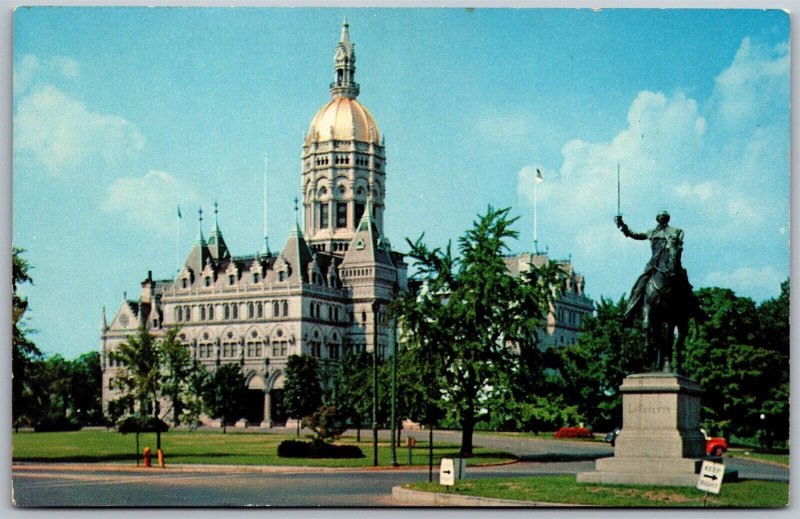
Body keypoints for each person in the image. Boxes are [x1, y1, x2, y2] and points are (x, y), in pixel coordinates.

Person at [614, 211, 694, 324]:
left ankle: (696, 309)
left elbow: (679, 245)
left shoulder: (675, 231)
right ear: (658, 219)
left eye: (664, 217)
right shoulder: (652, 232)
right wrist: (622, 225)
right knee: (639, 286)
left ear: (667, 219)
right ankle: (628, 313)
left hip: (672, 264)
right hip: (654, 264)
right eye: (660, 217)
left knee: (685, 285)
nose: (662, 219)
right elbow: (634, 234)